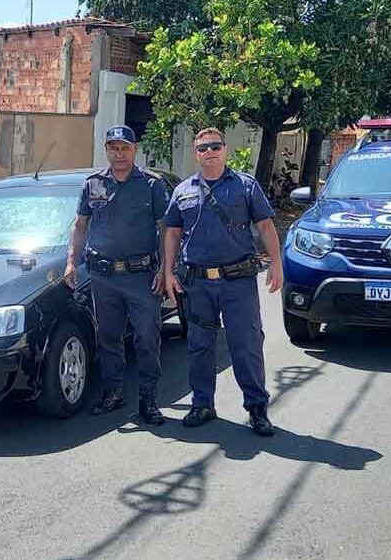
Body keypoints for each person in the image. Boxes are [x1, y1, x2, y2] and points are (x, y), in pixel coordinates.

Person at [163, 127, 283, 437]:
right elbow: (172, 233)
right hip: (197, 284)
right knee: (199, 347)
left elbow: (266, 226)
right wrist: (167, 272)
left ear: (225, 149)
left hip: (237, 283)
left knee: (246, 345)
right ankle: (202, 404)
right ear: (196, 154)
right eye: (203, 148)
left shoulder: (244, 186)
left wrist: (277, 264)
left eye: (215, 146)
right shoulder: (183, 191)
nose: (209, 151)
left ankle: (257, 408)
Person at [64, 125, 169, 425]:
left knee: (147, 338)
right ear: (106, 150)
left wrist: (165, 268)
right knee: (109, 337)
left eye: (125, 148)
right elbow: (81, 225)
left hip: (142, 277)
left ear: (135, 150)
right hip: (104, 277)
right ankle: (113, 393)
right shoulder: (93, 184)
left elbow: (166, 229)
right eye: (114, 148)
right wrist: (72, 261)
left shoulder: (151, 185)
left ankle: (148, 400)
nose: (119, 154)